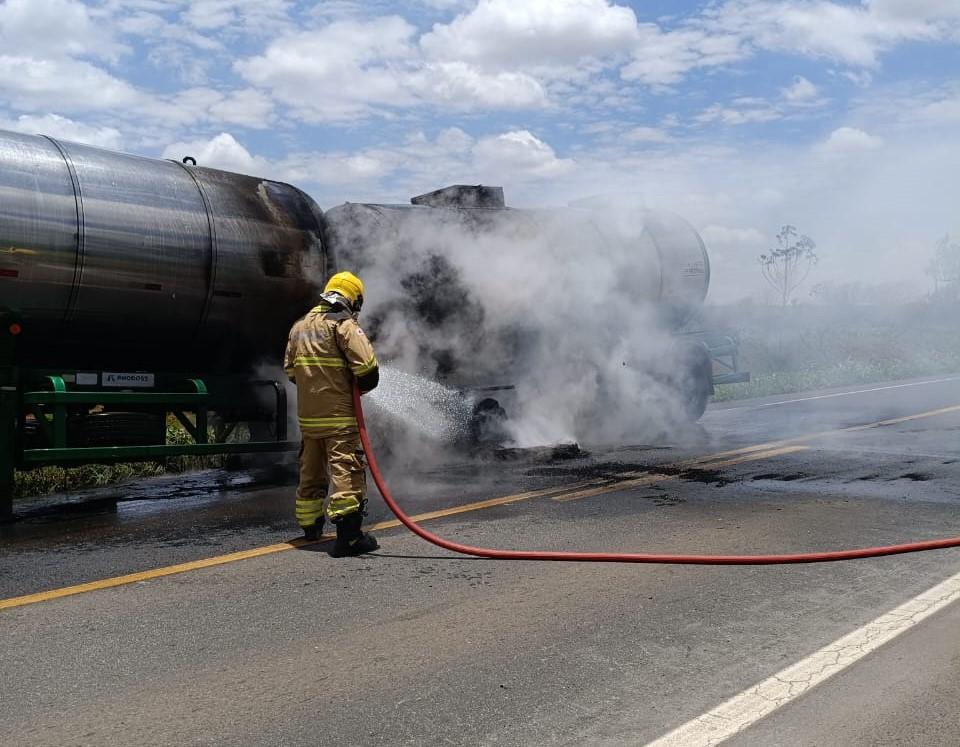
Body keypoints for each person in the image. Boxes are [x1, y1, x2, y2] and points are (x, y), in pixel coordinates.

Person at [284, 271, 380, 556]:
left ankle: (310, 527)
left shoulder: (299, 327)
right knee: (345, 471)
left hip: (309, 419)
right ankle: (349, 539)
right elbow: (367, 369)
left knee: (311, 472)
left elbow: (291, 372)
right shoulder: (343, 325)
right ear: (353, 298)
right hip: (339, 418)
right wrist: (352, 384)